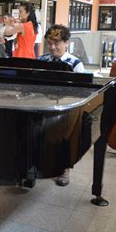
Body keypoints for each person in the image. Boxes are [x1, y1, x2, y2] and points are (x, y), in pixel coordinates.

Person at [38, 24, 85, 186]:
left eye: (56, 43)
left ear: (66, 43)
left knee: (66, 135)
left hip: (67, 108)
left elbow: (82, 92)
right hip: (45, 105)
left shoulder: (76, 64)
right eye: (49, 43)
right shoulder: (42, 60)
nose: (52, 47)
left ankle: (65, 168)